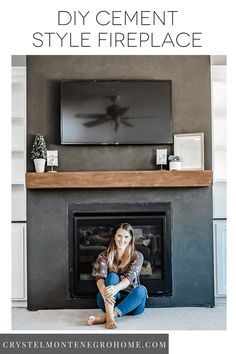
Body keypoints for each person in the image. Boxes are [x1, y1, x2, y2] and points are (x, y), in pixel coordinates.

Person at [88, 223, 148, 329]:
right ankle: (110, 318)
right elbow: (100, 278)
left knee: (142, 290)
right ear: (114, 237)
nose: (122, 240)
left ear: (130, 239)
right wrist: (104, 293)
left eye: (126, 237)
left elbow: (129, 279)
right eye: (119, 235)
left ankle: (106, 317)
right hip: (108, 300)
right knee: (112, 276)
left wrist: (115, 289)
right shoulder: (104, 255)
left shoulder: (137, 256)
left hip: (132, 302)